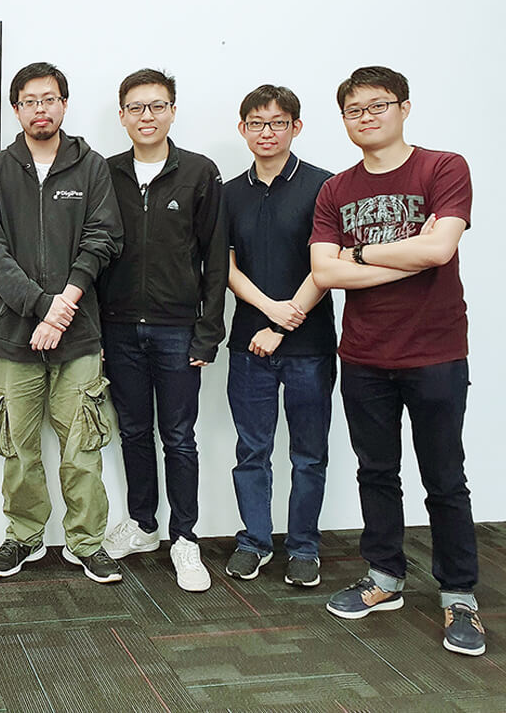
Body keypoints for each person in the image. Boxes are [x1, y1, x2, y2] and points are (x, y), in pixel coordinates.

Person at [310, 66, 485, 656]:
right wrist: (405, 257)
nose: (366, 117)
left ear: (404, 108)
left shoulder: (443, 167)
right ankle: (384, 577)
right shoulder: (336, 189)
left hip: (434, 352)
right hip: (363, 355)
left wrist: (359, 254)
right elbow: (324, 272)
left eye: (377, 106)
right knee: (376, 472)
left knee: (445, 479)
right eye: (354, 110)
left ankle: (459, 595)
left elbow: (441, 248)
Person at [0, 62, 124, 584]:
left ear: (64, 104)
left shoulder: (91, 166)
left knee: (83, 445)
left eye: (50, 98)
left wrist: (65, 307)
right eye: (30, 100)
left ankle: (87, 542)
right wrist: (44, 307)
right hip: (14, 335)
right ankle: (24, 537)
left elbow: (103, 239)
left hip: (80, 335)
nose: (41, 109)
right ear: (16, 109)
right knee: (18, 446)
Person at [97, 68, 228, 593]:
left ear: (173, 110)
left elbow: (216, 259)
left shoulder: (199, 173)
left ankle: (186, 539)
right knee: (132, 432)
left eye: (156, 106)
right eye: (136, 107)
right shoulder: (104, 173)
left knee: (178, 436)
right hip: (119, 328)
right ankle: (144, 525)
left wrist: (207, 332)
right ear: (122, 115)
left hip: (178, 330)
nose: (146, 116)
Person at [222, 85, 335, 587]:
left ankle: (304, 546)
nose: (267, 132)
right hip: (249, 343)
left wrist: (284, 324)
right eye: (257, 122)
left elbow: (327, 267)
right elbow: (225, 266)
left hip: (309, 346)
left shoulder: (323, 187)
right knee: (252, 449)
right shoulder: (227, 193)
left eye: (278, 122)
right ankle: (255, 541)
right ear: (242, 128)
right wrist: (269, 313)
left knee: (309, 453)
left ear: (297, 126)